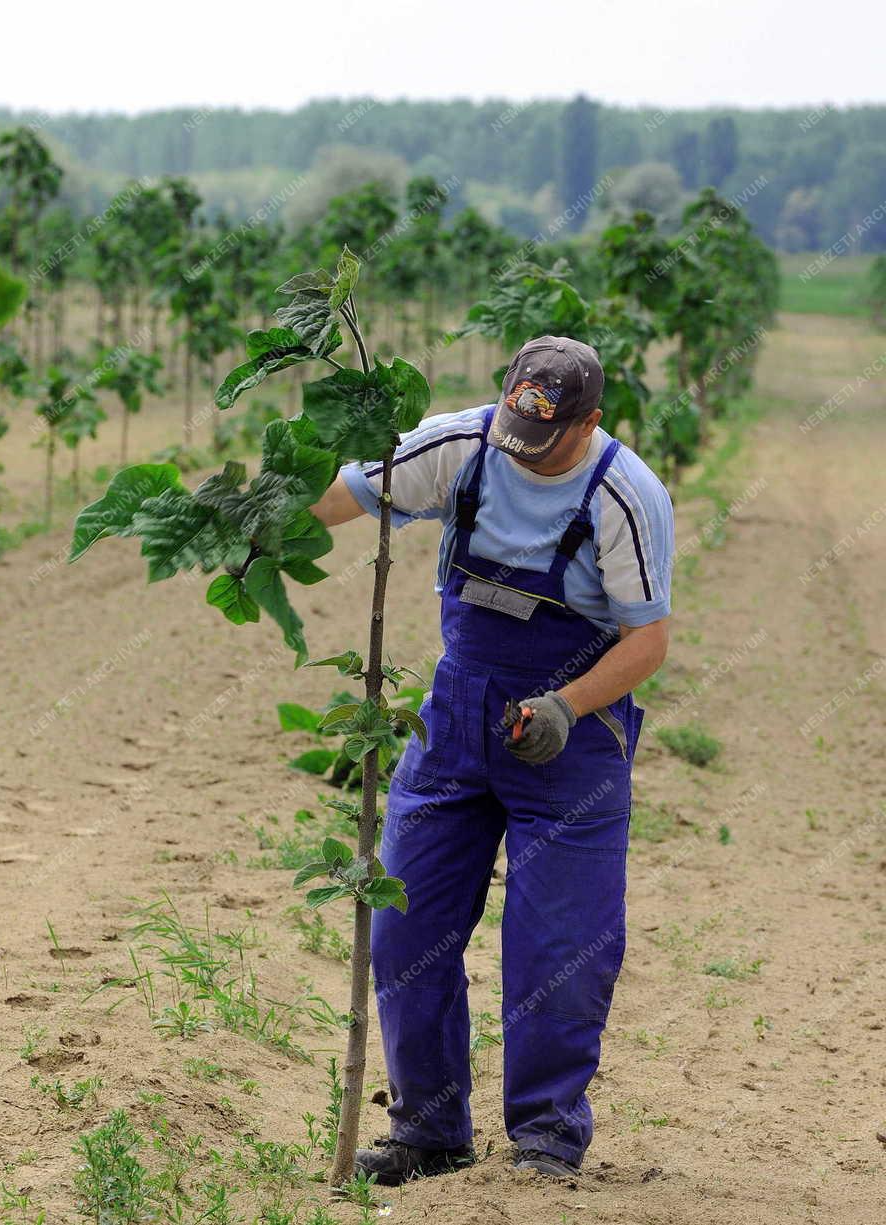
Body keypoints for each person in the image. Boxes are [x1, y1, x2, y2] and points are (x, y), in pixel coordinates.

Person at [312, 336, 674, 1184]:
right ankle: (428, 1133)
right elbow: (354, 493)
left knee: (558, 945)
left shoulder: (625, 494)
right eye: (514, 428)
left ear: (588, 423)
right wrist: (256, 513)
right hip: (457, 720)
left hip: (571, 737)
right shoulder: (465, 443)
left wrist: (566, 704)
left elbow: (648, 638)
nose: (520, 450)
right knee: (407, 923)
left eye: (544, 439)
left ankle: (545, 1141)